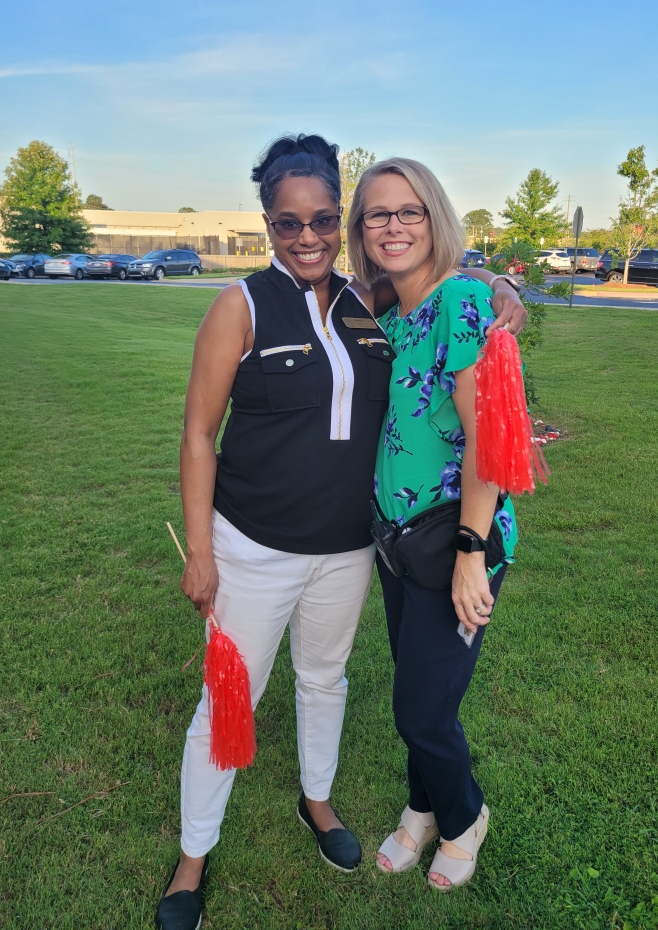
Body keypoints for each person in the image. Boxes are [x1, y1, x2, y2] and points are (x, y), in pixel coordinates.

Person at [155, 134, 525, 930]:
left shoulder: (363, 302)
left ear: (339, 221)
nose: (308, 237)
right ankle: (193, 856)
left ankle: (317, 802)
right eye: (289, 223)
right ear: (268, 223)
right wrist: (201, 553)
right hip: (253, 546)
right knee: (228, 700)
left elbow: (445, 286)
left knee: (325, 680)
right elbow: (197, 436)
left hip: (354, 548)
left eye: (323, 219)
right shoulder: (240, 306)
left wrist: (497, 285)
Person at [347, 157, 518, 892]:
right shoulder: (390, 315)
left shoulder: (461, 303)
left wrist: (471, 553)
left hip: (457, 539)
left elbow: (488, 443)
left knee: (422, 709)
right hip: (399, 541)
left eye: (409, 211)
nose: (393, 226)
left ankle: (464, 815)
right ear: (361, 229)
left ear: (435, 217)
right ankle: (421, 807)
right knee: (419, 687)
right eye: (377, 214)